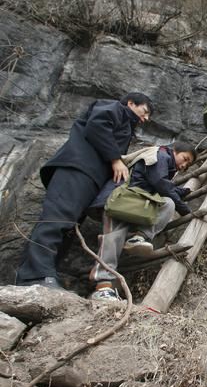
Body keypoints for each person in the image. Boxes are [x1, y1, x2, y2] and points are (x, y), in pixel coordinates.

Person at [15, 92, 153, 289]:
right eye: (145, 111)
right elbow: (97, 126)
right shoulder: (114, 108)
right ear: (130, 103)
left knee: (67, 227)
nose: (146, 118)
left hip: (89, 178)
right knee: (56, 220)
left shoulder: (126, 126)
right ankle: (34, 276)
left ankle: (44, 275)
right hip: (77, 169)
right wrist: (116, 159)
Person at [87, 142, 196, 300]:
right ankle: (102, 287)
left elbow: (154, 180)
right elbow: (160, 183)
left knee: (167, 203)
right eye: (185, 159)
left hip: (134, 203)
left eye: (188, 164)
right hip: (120, 200)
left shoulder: (163, 160)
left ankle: (139, 237)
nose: (184, 165)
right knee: (113, 239)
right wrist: (184, 208)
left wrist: (180, 191)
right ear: (175, 150)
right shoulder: (161, 155)